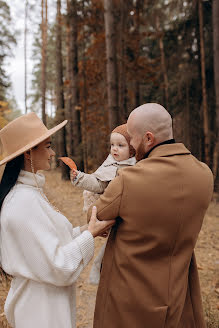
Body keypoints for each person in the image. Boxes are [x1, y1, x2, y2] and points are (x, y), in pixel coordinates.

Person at [88, 103, 214, 328]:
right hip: (179, 296)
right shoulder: (204, 174)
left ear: (148, 138)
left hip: (127, 302)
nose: (132, 146)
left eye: (132, 139)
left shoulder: (129, 180)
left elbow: (94, 216)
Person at [0, 112, 114, 328]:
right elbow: (59, 266)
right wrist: (89, 235)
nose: (52, 153)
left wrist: (87, 230)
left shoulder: (30, 193)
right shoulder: (21, 203)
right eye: (48, 146)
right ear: (28, 153)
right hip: (40, 313)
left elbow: (51, 240)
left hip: (45, 305)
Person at [70, 123, 136, 284]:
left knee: (119, 250)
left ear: (132, 148)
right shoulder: (110, 164)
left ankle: (106, 272)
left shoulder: (136, 167)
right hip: (111, 212)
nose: (115, 149)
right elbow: (98, 184)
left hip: (129, 215)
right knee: (110, 247)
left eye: (121, 145)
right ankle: (99, 272)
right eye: (112, 145)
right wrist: (81, 178)